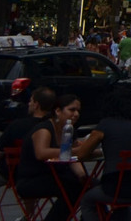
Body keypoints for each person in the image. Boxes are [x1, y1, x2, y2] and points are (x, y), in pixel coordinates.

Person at [0, 85, 54, 221]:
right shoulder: (54, 125)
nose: (29, 104)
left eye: (31, 101)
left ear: (36, 105)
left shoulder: (18, 125)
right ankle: (29, 215)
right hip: (47, 171)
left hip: (13, 172)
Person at [71, 84, 131, 220]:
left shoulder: (105, 125)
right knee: (117, 200)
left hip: (116, 188)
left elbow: (82, 154)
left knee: (87, 199)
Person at [15, 93, 85, 221]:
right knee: (73, 189)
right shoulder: (45, 129)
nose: (76, 114)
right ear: (58, 111)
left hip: (57, 176)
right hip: (32, 179)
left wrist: (82, 175)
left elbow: (74, 156)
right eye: (72, 110)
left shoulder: (69, 129)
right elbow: (41, 153)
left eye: (78, 111)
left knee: (88, 186)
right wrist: (75, 151)